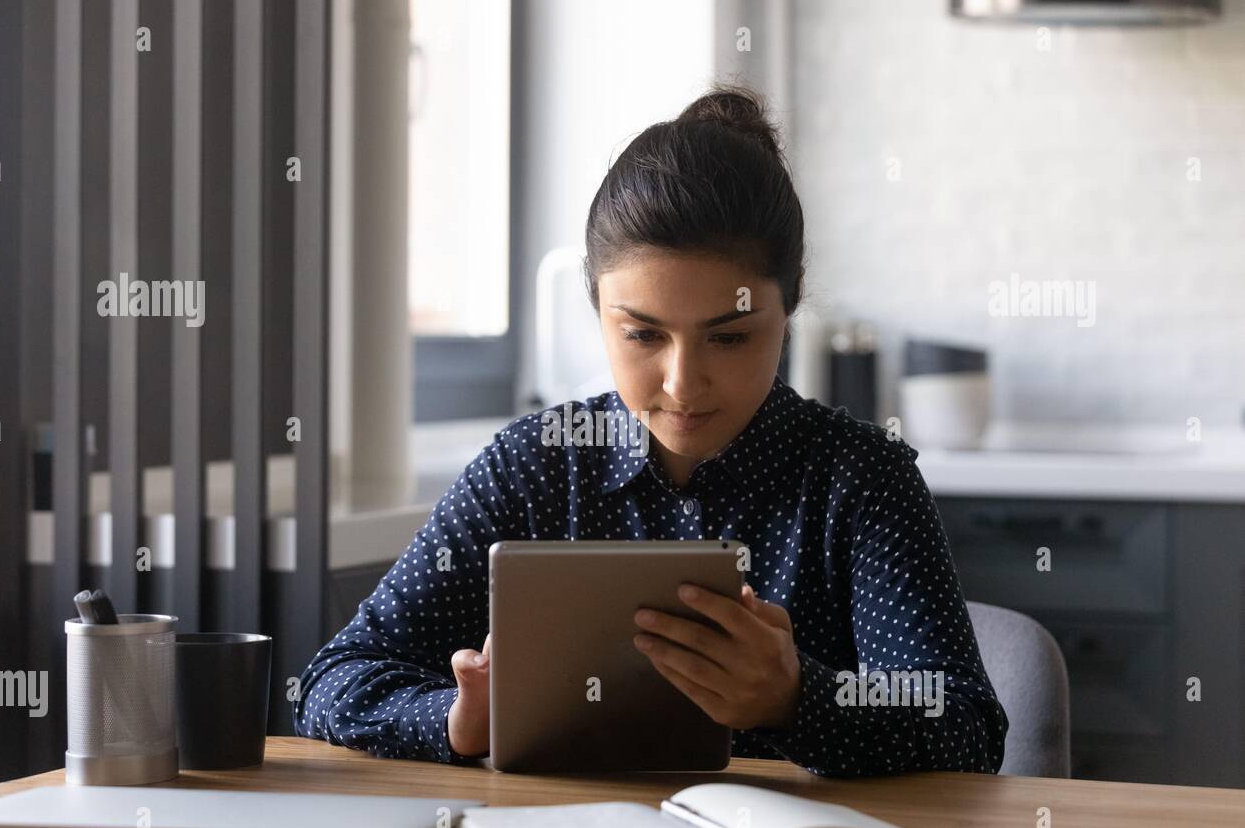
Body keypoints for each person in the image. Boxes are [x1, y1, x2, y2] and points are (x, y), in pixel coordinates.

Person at [293, 85, 1009, 777]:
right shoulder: (535, 466)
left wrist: (798, 699)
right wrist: (455, 719)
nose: (681, 384)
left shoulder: (861, 479)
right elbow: (334, 680)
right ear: (597, 308)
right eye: (642, 334)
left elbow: (968, 727)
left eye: (729, 339)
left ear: (788, 310)